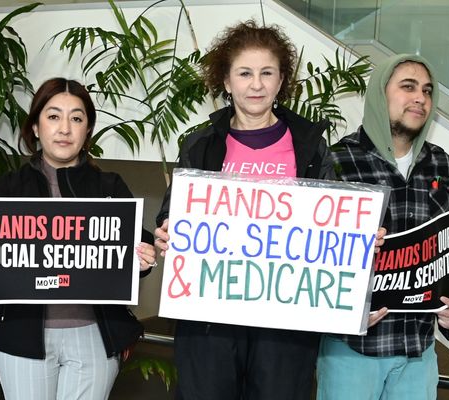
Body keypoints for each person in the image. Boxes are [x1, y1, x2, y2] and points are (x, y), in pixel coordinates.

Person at [0, 77, 157, 400]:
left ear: (87, 131)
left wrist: (144, 257)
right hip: (24, 337)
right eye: (54, 116)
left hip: (94, 338)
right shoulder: (11, 186)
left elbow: (137, 242)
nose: (65, 128)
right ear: (36, 127)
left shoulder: (108, 186)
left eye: (77, 118)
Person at [152, 21, 334, 399]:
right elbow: (173, 213)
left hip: (286, 323)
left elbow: (331, 222)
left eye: (267, 73)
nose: (256, 85)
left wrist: (359, 239)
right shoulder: (200, 145)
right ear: (226, 80)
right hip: (209, 322)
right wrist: (167, 230)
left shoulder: (310, 147)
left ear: (282, 79)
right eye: (245, 73)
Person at [317, 54, 449, 400]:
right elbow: (311, 251)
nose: (420, 97)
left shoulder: (443, 165)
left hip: (418, 352)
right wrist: (343, 310)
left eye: (427, 90)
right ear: (380, 94)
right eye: (407, 87)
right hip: (351, 350)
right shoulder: (337, 161)